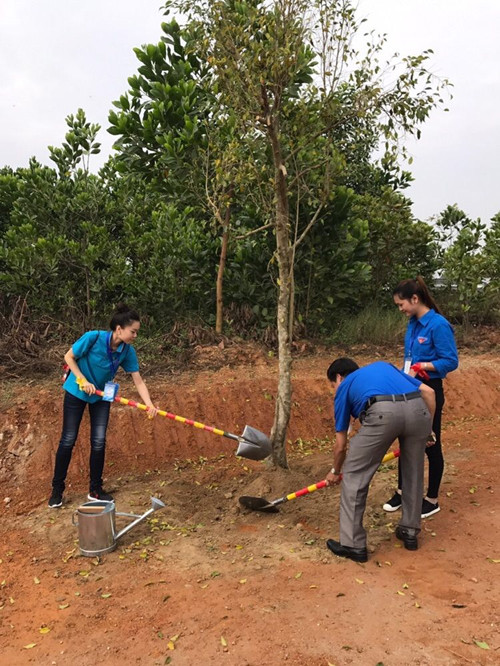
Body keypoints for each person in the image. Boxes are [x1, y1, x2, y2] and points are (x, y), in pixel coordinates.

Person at [325, 358, 435, 562]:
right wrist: (428, 431)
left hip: (382, 413)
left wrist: (335, 471)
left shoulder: (344, 387)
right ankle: (410, 532)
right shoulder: (383, 366)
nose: (334, 390)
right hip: (418, 411)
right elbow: (429, 393)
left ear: (339, 377)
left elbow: (341, 445)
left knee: (355, 475)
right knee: (414, 472)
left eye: (333, 386)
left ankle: (353, 545)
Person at [48, 304, 158, 508]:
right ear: (119, 329)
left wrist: (150, 405)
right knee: (68, 439)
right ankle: (57, 490)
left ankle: (95, 490)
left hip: (101, 397)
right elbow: (69, 357)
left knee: (99, 441)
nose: (135, 335)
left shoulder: (127, 351)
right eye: (133, 331)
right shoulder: (93, 338)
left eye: (136, 332)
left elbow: (138, 380)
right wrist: (83, 381)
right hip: (76, 391)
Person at [383, 277, 458, 519]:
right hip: (409, 388)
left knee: (430, 442)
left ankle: (432, 499)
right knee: (405, 441)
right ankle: (402, 492)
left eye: (401, 304)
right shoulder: (413, 324)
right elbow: (408, 357)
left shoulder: (438, 325)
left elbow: (451, 361)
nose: (400, 309)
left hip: (429, 390)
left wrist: (423, 365)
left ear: (415, 299)